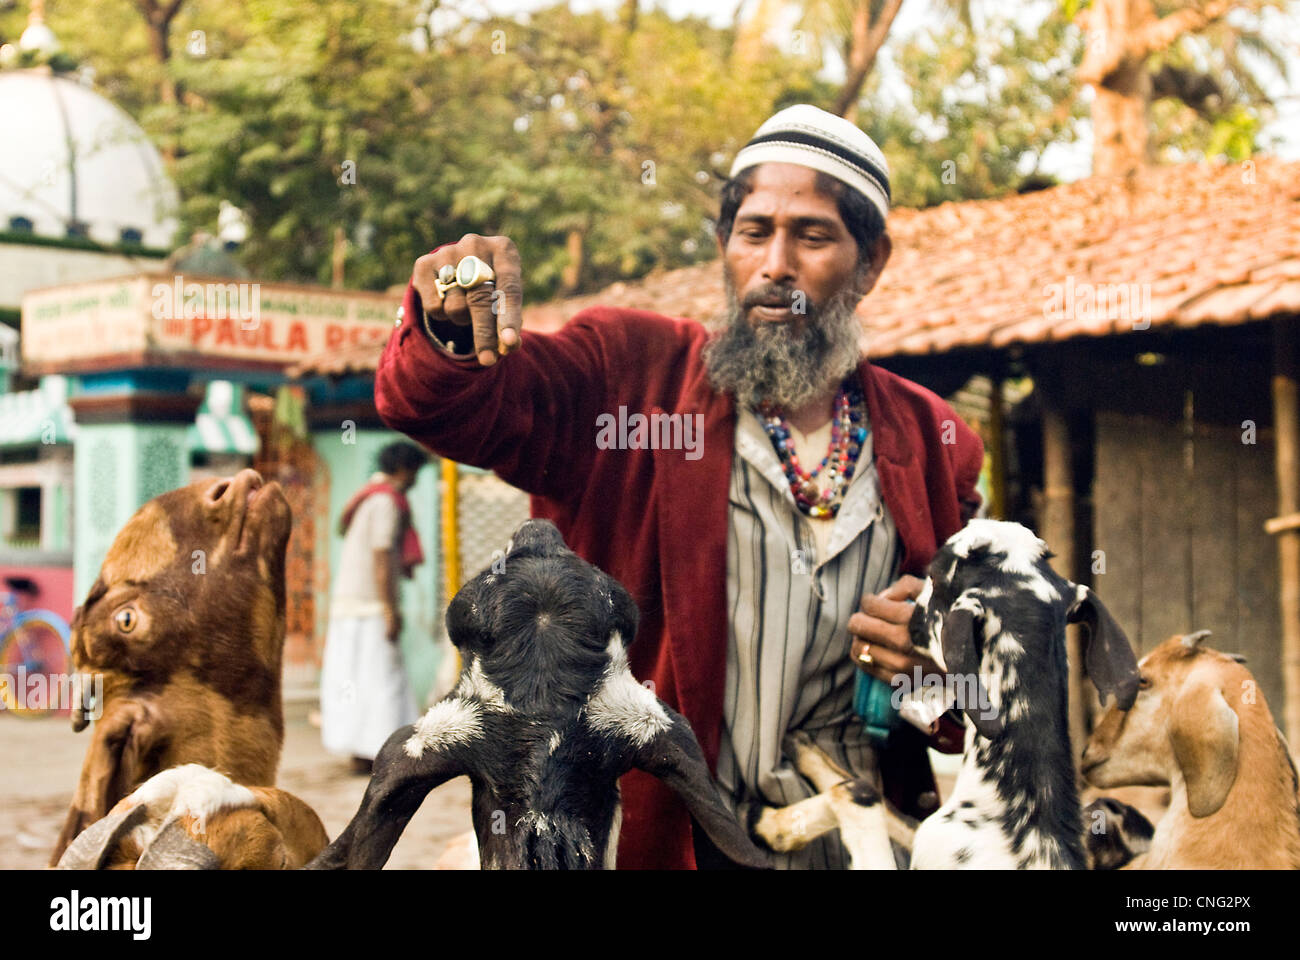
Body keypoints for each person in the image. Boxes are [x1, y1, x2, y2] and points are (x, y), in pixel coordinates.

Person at [374, 105, 983, 867]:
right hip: (659, 838)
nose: (776, 265)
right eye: (754, 232)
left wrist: (936, 671)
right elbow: (449, 405)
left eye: (814, 236)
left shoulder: (930, 440)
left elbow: (961, 701)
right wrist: (451, 327)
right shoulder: (631, 376)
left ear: (871, 263)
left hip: (854, 838)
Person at [320, 441, 429, 774]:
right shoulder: (386, 502)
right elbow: (382, 556)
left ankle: (363, 751)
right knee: (381, 679)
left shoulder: (367, 495)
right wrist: (389, 609)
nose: (415, 481)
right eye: (414, 473)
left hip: (349, 605)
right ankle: (382, 751)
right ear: (404, 469)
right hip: (369, 606)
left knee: (354, 679)